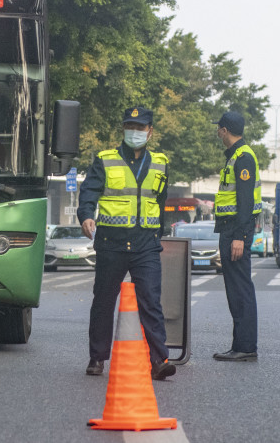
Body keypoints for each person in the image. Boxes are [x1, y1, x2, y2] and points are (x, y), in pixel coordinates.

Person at [77, 106, 176, 381]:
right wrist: (86, 215)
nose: (135, 132)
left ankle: (159, 360)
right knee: (104, 302)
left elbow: (160, 200)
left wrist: (159, 234)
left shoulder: (160, 162)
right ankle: (97, 358)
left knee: (151, 303)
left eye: (140, 127)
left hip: (145, 244)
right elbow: (89, 192)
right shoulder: (104, 160)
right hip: (111, 243)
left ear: (150, 131)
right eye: (130, 126)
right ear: (123, 129)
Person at [212, 111, 260, 362]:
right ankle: (241, 344)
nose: (217, 133)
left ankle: (245, 346)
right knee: (236, 288)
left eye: (218, 129)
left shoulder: (243, 158)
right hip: (231, 228)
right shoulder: (236, 157)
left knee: (240, 288)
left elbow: (245, 200)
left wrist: (240, 236)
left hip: (236, 230)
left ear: (225, 131)